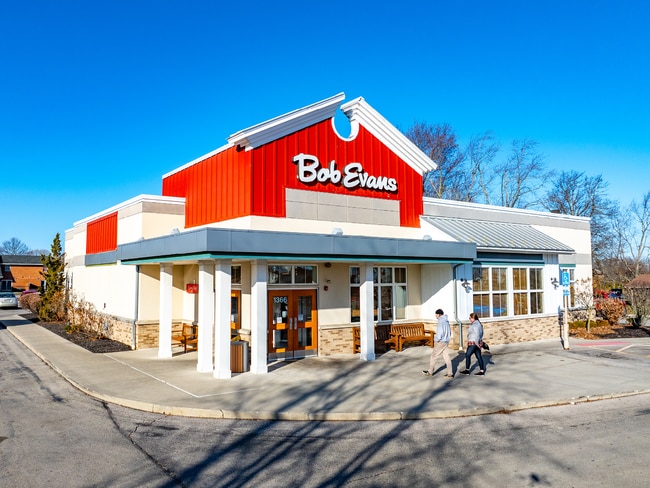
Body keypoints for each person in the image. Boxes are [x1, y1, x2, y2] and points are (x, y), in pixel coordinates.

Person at [422, 309, 453, 378]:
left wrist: (437, 340)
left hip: (440, 342)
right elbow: (449, 331)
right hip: (446, 341)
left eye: (436, 314)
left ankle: (430, 372)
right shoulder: (446, 321)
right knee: (447, 357)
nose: (435, 316)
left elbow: (440, 332)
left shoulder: (441, 321)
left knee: (434, 356)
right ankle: (450, 373)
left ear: (439, 314)